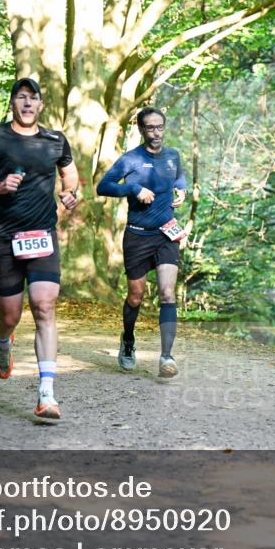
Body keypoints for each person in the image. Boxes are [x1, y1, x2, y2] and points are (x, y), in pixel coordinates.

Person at [0, 77, 79, 419]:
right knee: (10, 314)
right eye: (21, 97)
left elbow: (70, 176)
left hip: (42, 236)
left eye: (34, 98)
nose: (28, 103)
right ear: (12, 103)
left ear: (41, 105)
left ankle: (47, 394)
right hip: (5, 239)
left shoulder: (55, 140)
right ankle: (4, 340)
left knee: (44, 306)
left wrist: (70, 193)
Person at [96, 107, 186, 378]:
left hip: (166, 234)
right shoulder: (131, 159)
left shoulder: (173, 156)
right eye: (150, 128)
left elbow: (179, 178)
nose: (156, 133)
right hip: (137, 235)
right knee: (135, 296)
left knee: (167, 293)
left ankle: (166, 357)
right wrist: (133, 188)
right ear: (141, 129)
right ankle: (128, 340)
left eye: (160, 127)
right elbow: (104, 186)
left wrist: (181, 190)